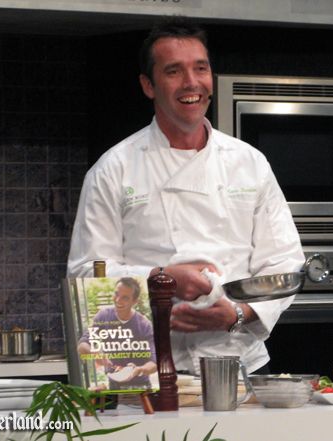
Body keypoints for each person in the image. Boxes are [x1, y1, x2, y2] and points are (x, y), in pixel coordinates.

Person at [67, 17, 304, 376]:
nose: (191, 83)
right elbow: (85, 275)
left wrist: (239, 313)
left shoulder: (249, 163)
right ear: (149, 85)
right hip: (141, 372)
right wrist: (163, 278)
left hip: (238, 365)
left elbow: (283, 264)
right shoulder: (114, 168)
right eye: (174, 71)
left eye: (201, 69)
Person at [77, 277, 157, 389]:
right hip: (114, 385)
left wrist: (141, 369)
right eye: (116, 294)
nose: (118, 300)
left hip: (141, 386)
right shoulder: (104, 316)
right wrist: (95, 354)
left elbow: (154, 363)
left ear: (134, 301)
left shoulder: (144, 325)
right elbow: (82, 345)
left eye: (125, 297)